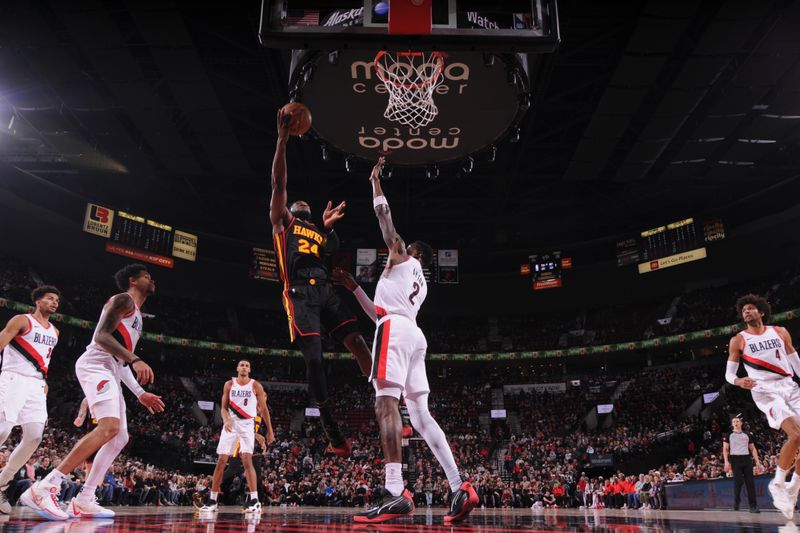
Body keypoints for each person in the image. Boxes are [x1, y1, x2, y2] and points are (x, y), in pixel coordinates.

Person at [335, 156, 478, 524]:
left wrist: (375, 182)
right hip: (412, 335)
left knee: (386, 405)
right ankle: (459, 485)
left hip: (395, 332)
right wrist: (355, 289)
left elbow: (385, 220)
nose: (393, 249)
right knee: (420, 414)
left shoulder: (401, 256)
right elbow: (382, 313)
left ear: (410, 252)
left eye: (401, 246)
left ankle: (395, 491)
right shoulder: (421, 284)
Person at [20, 264, 165, 520]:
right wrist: (135, 359)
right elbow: (100, 337)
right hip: (95, 364)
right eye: (146, 276)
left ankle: (85, 498)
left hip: (110, 366)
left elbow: (118, 361)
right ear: (132, 280)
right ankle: (44, 488)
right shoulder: (123, 299)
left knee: (119, 437)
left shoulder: (138, 315)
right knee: (108, 427)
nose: (151, 279)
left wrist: (139, 392)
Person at [270, 107, 373, 456]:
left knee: (359, 340)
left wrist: (327, 228)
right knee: (314, 360)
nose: (299, 200)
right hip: (299, 293)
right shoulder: (283, 222)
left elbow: (328, 251)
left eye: (304, 202)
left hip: (325, 290)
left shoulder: (318, 230)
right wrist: (283, 140)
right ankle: (333, 433)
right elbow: (279, 184)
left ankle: (386, 396)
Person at [726, 293, 800, 520]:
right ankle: (778, 484)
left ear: (761, 312)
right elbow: (729, 374)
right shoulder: (738, 339)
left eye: (750, 308)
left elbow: (795, 360)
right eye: (744, 310)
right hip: (765, 391)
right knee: (795, 435)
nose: (746, 312)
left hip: (789, 386)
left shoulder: (780, 331)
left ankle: (793, 488)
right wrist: (739, 380)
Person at [0, 285, 61, 514]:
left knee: (35, 435)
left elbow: (44, 359)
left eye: (57, 300)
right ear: (38, 301)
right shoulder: (22, 320)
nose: (55, 302)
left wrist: (44, 379)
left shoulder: (55, 332)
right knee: (2, 430)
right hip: (13, 378)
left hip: (36, 384)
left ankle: (2, 482)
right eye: (50, 298)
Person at [199, 359, 274, 513]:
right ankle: (212, 500)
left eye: (247, 365)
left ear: (250, 370)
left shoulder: (255, 385)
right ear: (237, 368)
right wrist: (226, 420)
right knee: (221, 461)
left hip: (247, 424)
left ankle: (255, 501)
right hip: (231, 424)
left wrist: (270, 430)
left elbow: (264, 409)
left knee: (247, 461)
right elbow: (223, 408)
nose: (244, 367)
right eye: (242, 365)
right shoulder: (229, 384)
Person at [723, 414, 762, 512]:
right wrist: (726, 462)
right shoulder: (728, 435)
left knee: (750, 483)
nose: (735, 423)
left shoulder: (748, 434)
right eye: (734, 422)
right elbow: (725, 449)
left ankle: (753, 506)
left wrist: (757, 461)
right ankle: (737, 501)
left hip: (746, 458)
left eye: (737, 421)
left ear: (741, 423)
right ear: (732, 424)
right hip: (735, 459)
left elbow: (753, 449)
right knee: (739, 482)